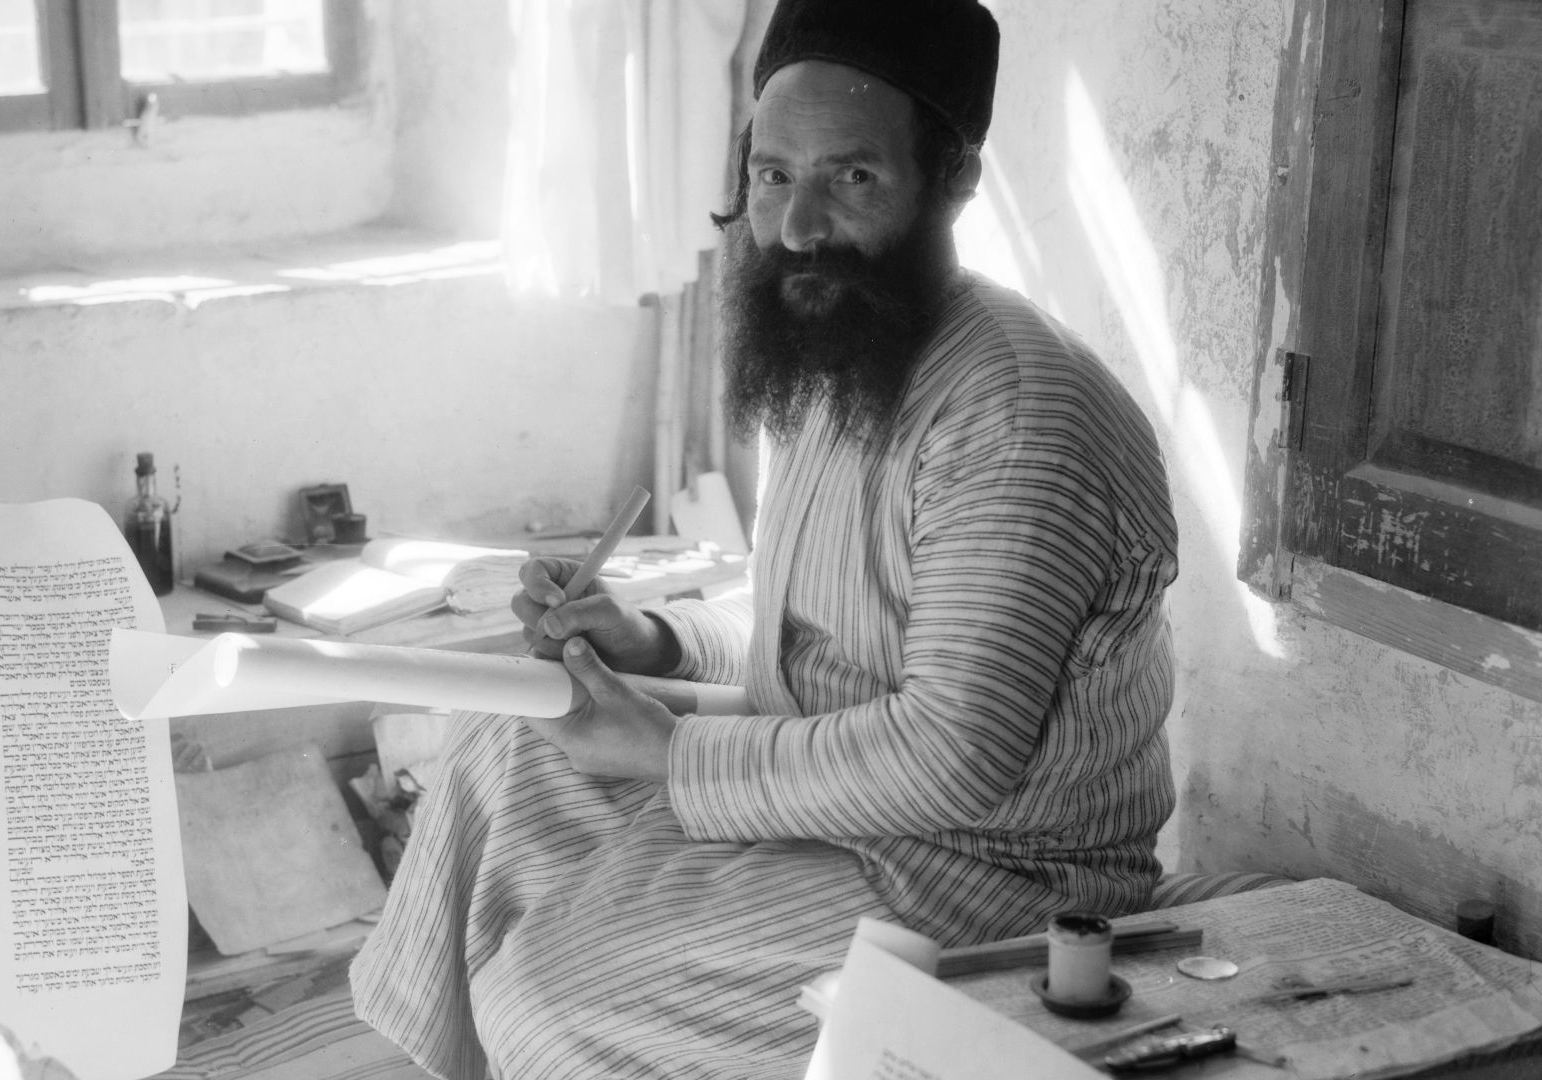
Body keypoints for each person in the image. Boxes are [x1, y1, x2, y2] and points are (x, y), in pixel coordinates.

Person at [351, 1, 1179, 1076]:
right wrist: (653, 642)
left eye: (854, 178)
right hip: (848, 798)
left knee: (563, 995)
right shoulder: (850, 346)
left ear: (956, 182)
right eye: (773, 175)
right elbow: (820, 632)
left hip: (985, 876)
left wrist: (672, 754)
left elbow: (951, 756)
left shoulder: (1013, 417)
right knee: (507, 745)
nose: (796, 226)